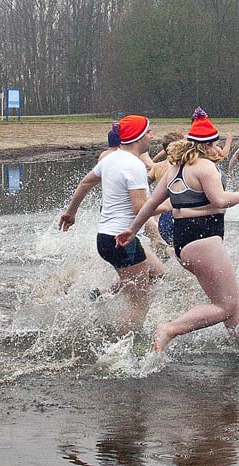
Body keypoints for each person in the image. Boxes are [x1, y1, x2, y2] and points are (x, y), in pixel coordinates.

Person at [115, 107, 239, 354]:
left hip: (184, 241)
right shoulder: (205, 167)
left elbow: (151, 203)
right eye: (215, 145)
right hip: (204, 238)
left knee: (228, 299)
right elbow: (220, 200)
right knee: (226, 304)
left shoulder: (175, 168)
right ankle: (170, 329)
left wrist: (132, 229)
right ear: (206, 146)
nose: (218, 150)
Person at [59, 114, 165, 334]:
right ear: (139, 137)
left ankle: (101, 296)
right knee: (139, 303)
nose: (152, 135)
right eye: (149, 131)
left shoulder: (110, 158)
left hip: (106, 238)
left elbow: (85, 182)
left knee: (157, 272)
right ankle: (121, 349)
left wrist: (71, 213)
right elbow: (140, 209)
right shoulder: (134, 165)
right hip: (122, 241)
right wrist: (173, 206)